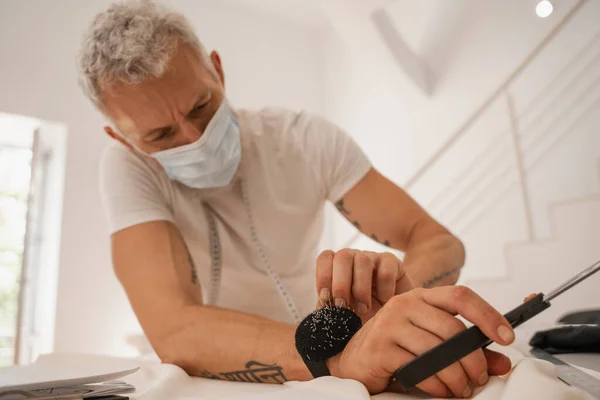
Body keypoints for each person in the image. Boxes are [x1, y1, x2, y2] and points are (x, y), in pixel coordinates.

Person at [78, 1, 515, 397]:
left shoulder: (305, 140)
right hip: (234, 376)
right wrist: (337, 354)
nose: (194, 138)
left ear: (217, 70)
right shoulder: (127, 168)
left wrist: (397, 311)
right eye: (160, 135)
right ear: (121, 137)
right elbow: (173, 328)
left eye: (201, 106)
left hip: (330, 359)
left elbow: (437, 240)